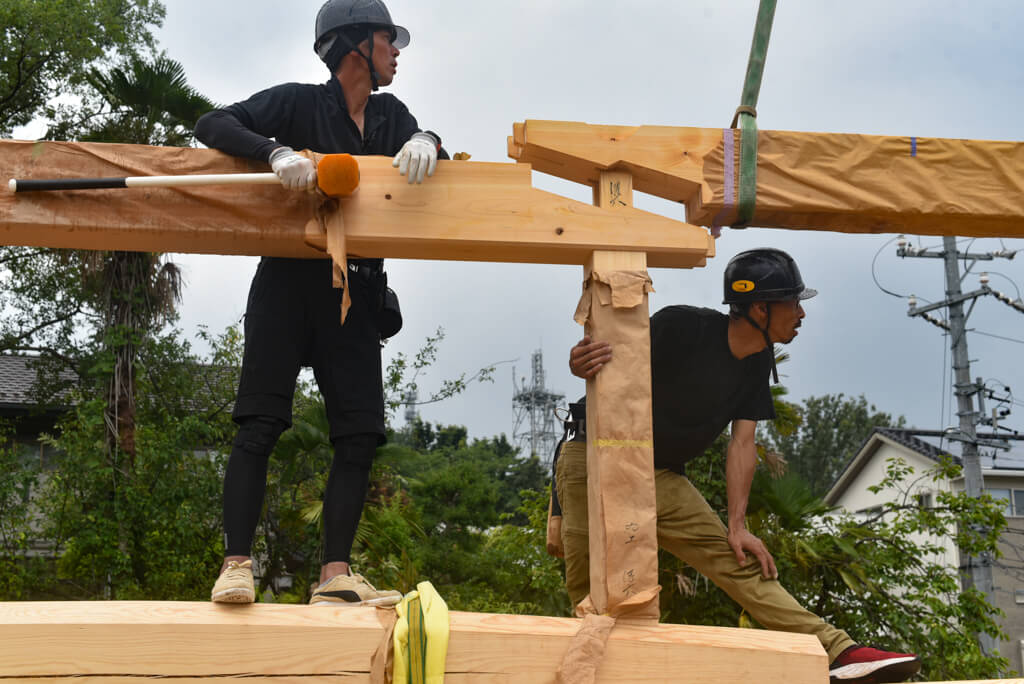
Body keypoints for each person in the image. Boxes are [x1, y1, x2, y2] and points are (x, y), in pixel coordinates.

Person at [554, 248, 920, 684]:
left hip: (661, 474)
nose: (801, 314)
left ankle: (839, 652)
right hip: (593, 458)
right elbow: (606, 359)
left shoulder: (757, 362)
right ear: (759, 308)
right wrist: (580, 364)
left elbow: (742, 443)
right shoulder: (682, 327)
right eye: (793, 303)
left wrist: (738, 524)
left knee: (738, 558)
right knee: (588, 591)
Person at [194, 0, 447, 606]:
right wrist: (275, 153)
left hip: (356, 291)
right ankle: (236, 566)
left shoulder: (390, 117)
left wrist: (429, 139)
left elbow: (431, 142)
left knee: (358, 436)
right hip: (287, 281)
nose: (397, 53)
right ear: (356, 45)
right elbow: (213, 123)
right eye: (389, 40)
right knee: (260, 423)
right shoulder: (298, 103)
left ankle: (335, 573)